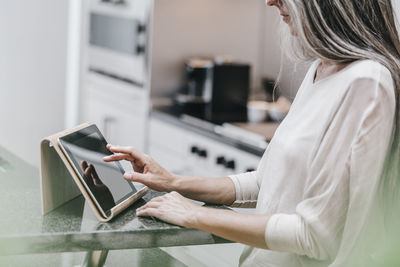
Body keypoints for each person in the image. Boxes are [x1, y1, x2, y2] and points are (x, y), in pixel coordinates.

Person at [104, 0, 400, 266]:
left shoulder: (366, 82)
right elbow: (265, 183)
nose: (271, 2)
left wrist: (196, 215)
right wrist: (174, 182)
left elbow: (315, 235)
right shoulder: (320, 69)